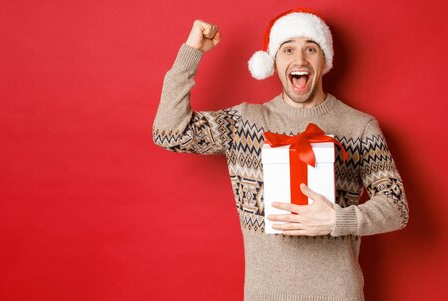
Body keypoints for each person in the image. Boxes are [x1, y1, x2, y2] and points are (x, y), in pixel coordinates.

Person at [151, 8, 409, 301]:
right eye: (288, 50)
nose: (299, 60)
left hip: (338, 294)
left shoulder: (359, 127)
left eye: (310, 49)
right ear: (273, 61)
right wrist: (191, 52)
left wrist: (340, 220)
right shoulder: (244, 122)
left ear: (324, 59)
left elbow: (396, 207)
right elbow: (169, 132)